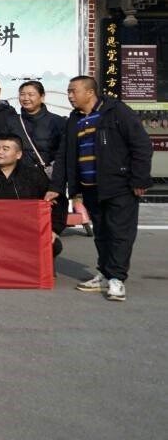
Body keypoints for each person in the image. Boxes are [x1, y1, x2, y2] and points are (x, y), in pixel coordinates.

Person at [45, 76, 152, 302]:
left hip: (120, 185)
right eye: (69, 91)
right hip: (90, 187)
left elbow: (141, 145)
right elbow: (64, 155)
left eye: (74, 91)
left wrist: (139, 179)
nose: (70, 96)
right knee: (101, 233)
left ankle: (117, 279)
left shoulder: (116, 111)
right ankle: (105, 273)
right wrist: (57, 186)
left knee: (120, 233)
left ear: (90, 92)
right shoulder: (74, 119)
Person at [17, 80, 68, 238]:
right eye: (22, 94)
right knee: (22, 229)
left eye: (31, 94)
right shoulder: (12, 121)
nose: (26, 98)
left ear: (42, 97)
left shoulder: (57, 122)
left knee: (50, 229)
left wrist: (57, 185)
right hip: (20, 182)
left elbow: (63, 155)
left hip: (48, 181)